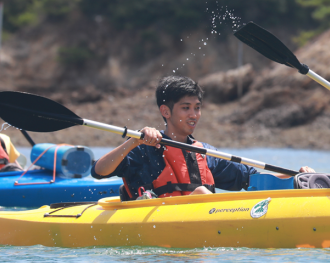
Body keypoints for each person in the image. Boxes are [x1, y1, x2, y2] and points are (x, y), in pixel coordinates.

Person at [92, 76, 313, 200]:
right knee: (199, 192)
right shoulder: (143, 149)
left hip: (197, 223)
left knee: (201, 191)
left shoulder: (206, 153)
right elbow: (99, 171)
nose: (193, 115)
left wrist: (295, 176)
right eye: (185, 108)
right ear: (166, 112)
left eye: (197, 108)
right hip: (151, 221)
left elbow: (253, 179)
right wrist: (134, 141)